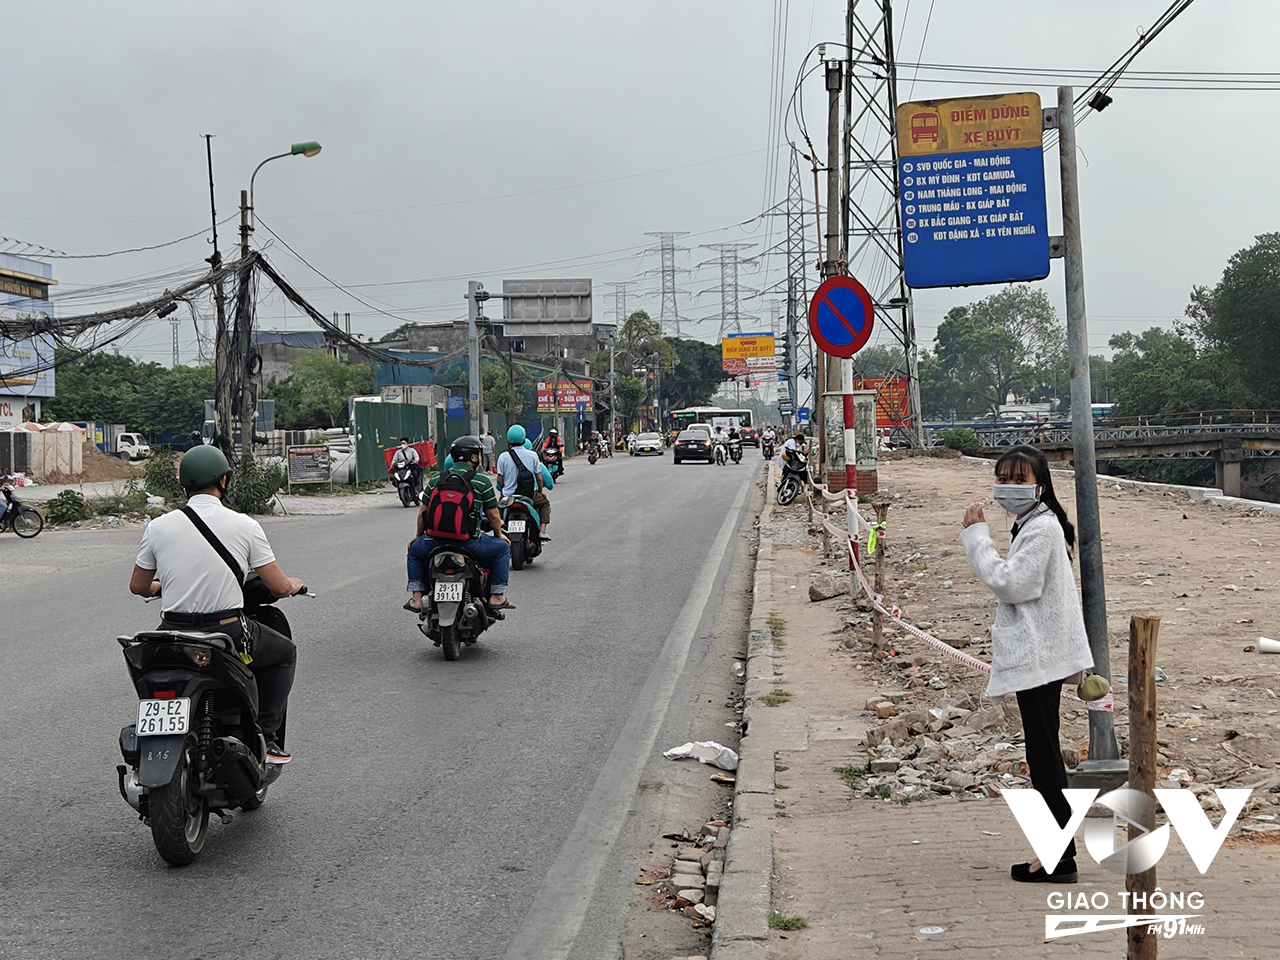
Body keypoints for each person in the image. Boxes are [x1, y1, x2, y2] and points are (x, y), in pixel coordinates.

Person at [959, 444, 1093, 884]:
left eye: (1019, 479)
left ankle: (1059, 859)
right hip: (1041, 653)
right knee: (1044, 752)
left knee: (1044, 756)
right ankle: (1057, 853)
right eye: (1003, 477)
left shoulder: (1041, 528)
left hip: (1042, 656)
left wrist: (977, 539)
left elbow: (1011, 583)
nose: (1009, 487)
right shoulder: (1032, 523)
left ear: (1039, 485)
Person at [128, 446, 304, 765]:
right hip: (226, 633)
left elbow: (139, 586)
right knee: (284, 653)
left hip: (173, 634)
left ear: (184, 485)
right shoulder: (245, 525)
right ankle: (267, 737)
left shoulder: (158, 526)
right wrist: (293, 585)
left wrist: (164, 585)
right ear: (224, 481)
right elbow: (277, 586)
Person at [406, 435, 515, 616]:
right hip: (469, 543)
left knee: (415, 552)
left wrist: (418, 536)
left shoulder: (435, 479)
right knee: (502, 548)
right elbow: (494, 515)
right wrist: (499, 534)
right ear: (473, 457)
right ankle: (496, 596)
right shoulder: (482, 481)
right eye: (478, 454)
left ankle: (417, 598)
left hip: (434, 542)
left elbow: (422, 513)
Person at [497, 424, 552, 536]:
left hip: (509, 496)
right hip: (529, 495)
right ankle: (542, 531)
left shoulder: (503, 456)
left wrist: (505, 489)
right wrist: (540, 491)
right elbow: (539, 478)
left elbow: (499, 480)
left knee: (499, 508)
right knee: (545, 503)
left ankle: (499, 529)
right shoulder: (532, 455)